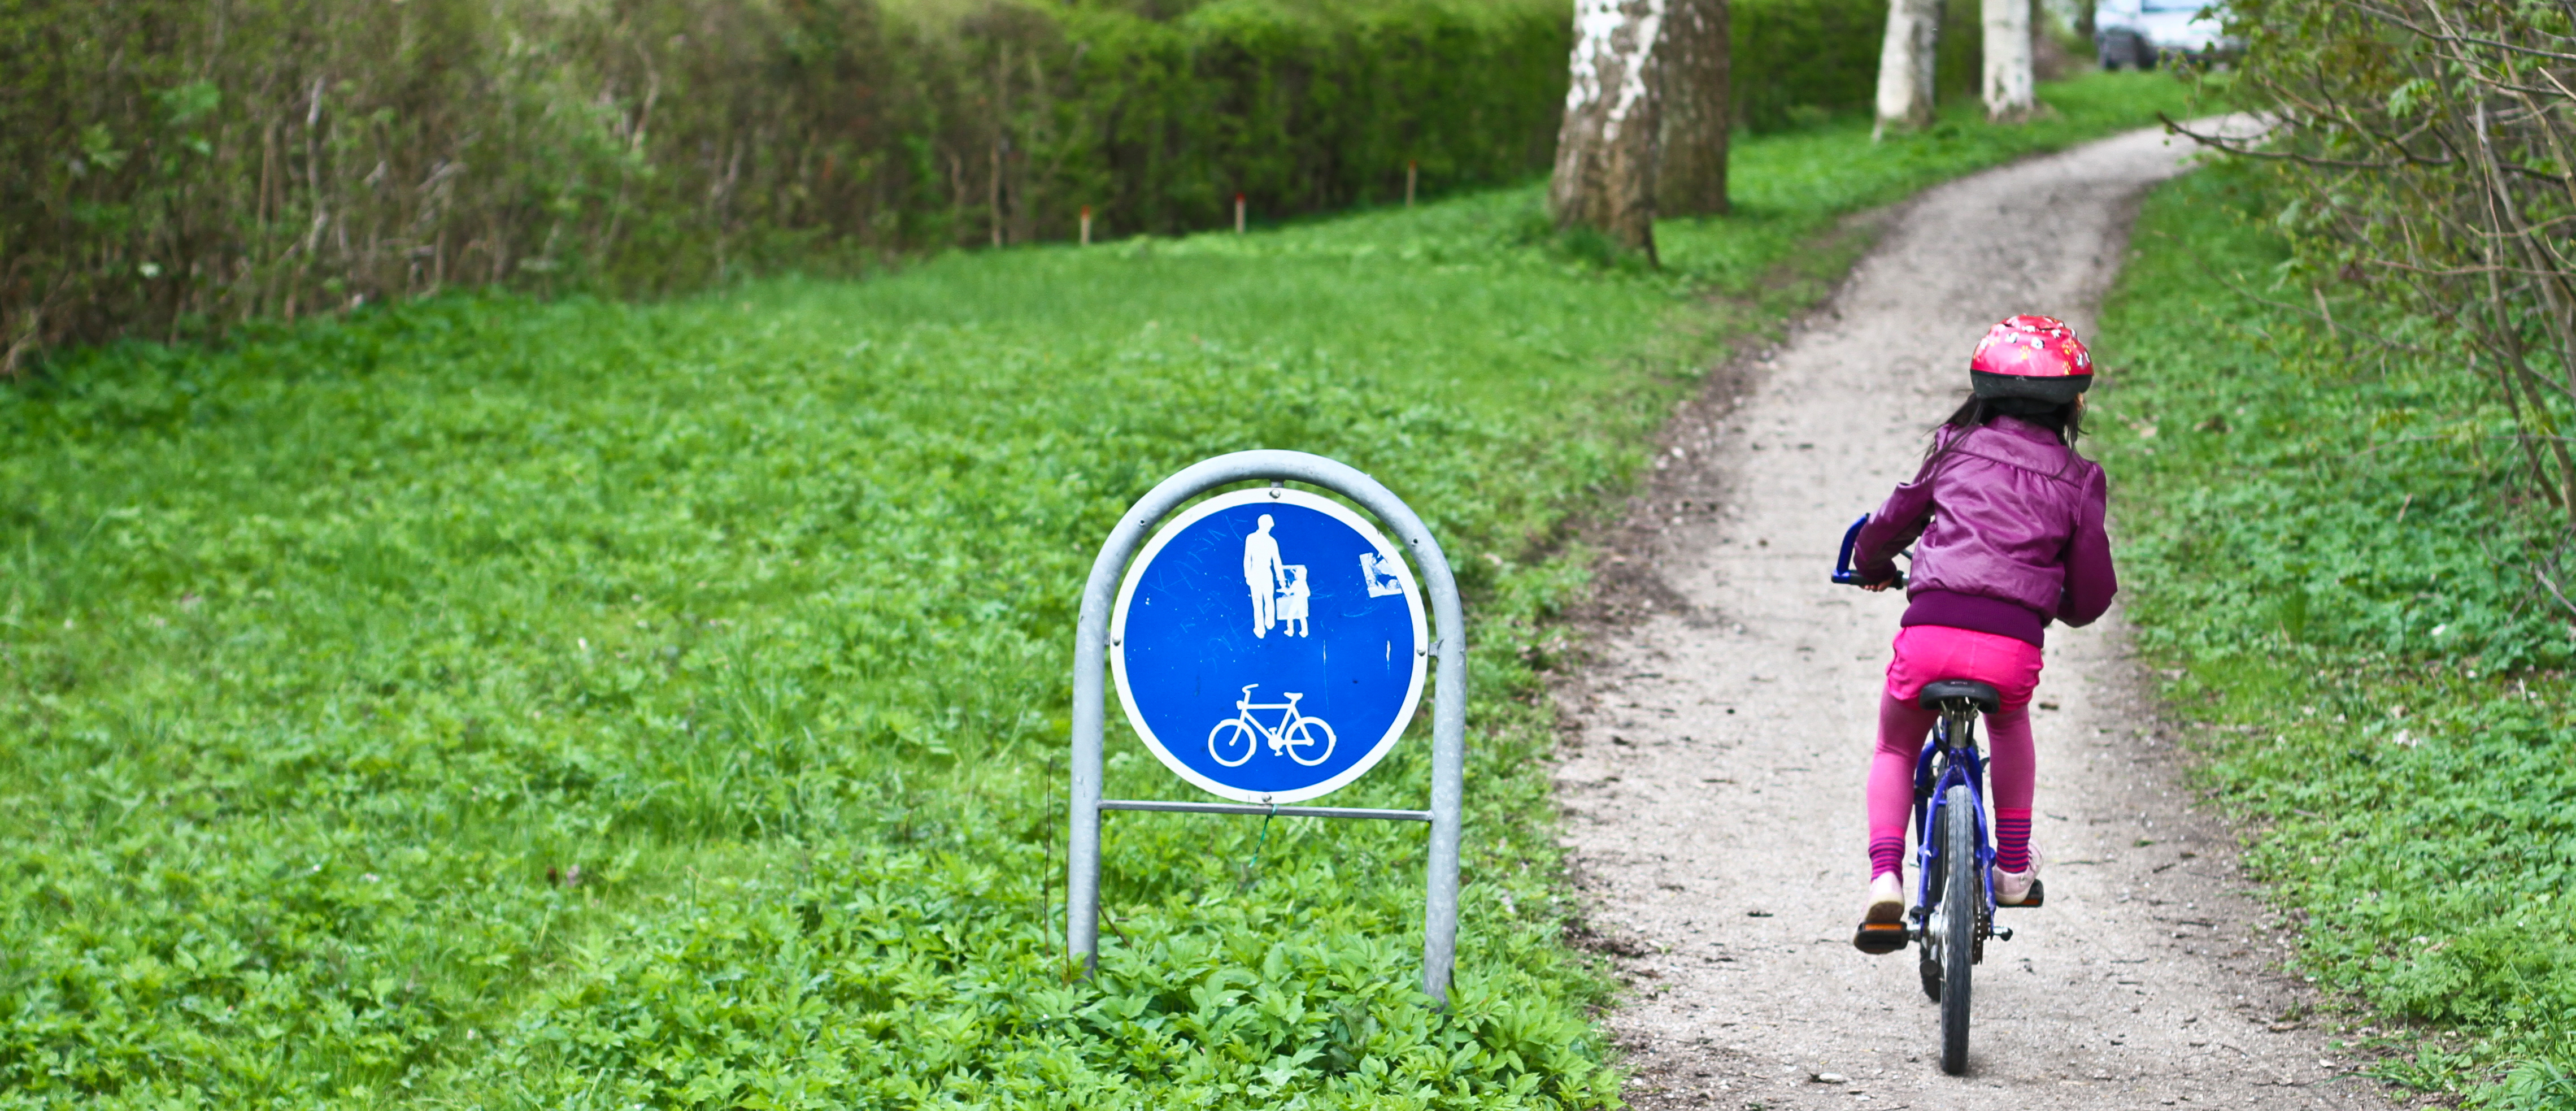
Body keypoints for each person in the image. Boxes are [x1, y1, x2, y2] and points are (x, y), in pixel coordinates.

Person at [1847, 315, 2117, 953]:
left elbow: (1892, 522)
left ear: (1983, 392)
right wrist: (2069, 609)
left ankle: (1885, 877)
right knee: (2011, 721)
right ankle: (2014, 869)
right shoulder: (2079, 480)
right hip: (2011, 646)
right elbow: (2091, 588)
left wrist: (1874, 565)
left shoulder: (1953, 446)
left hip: (1930, 632)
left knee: (1894, 746)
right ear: (2076, 402)